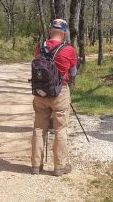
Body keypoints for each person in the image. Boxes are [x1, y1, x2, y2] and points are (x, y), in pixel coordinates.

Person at [31, 18, 77, 175]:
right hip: (60, 92)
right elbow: (73, 72)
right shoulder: (69, 49)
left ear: (50, 30)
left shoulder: (40, 47)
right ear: (64, 33)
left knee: (38, 128)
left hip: (40, 92)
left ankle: (36, 165)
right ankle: (59, 167)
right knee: (60, 129)